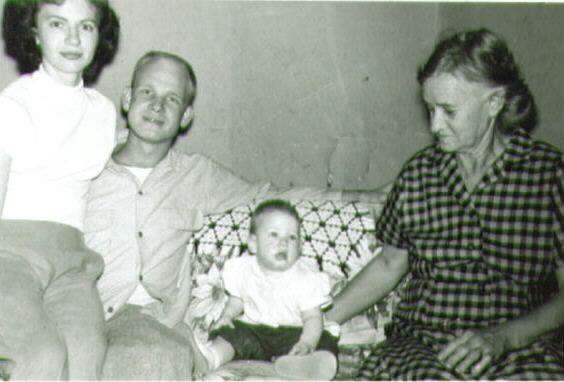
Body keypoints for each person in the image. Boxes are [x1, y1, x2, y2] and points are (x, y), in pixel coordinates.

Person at [85, 50, 387, 379]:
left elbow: (268, 196)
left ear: (186, 116)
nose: (157, 106)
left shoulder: (197, 176)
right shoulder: (84, 167)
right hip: (84, 313)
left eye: (172, 99)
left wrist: (368, 197)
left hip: (153, 321)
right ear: (127, 99)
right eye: (147, 92)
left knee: (155, 356)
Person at [326, 28, 564, 380]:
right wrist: (320, 324)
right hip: (421, 345)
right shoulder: (420, 174)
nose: (435, 125)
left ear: (494, 103)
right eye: (430, 109)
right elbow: (390, 264)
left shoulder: (549, 176)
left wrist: (503, 338)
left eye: (449, 111)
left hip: (521, 347)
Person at [0, 0, 119, 379]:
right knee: (41, 355)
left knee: (87, 349)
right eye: (56, 23)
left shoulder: (103, 112)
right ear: (33, 31)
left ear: (99, 35)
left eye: (85, 26)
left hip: (72, 260)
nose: (72, 38)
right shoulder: (12, 105)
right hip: (10, 255)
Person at [193, 199, 339, 380]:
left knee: (324, 342)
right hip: (256, 332)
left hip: (294, 334)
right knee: (232, 332)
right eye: (274, 235)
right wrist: (227, 316)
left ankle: (308, 366)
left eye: (292, 237)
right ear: (253, 244)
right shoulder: (243, 269)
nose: (283, 243)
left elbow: (312, 317)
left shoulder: (306, 278)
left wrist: (307, 342)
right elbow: (237, 299)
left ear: (300, 247)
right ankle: (211, 357)